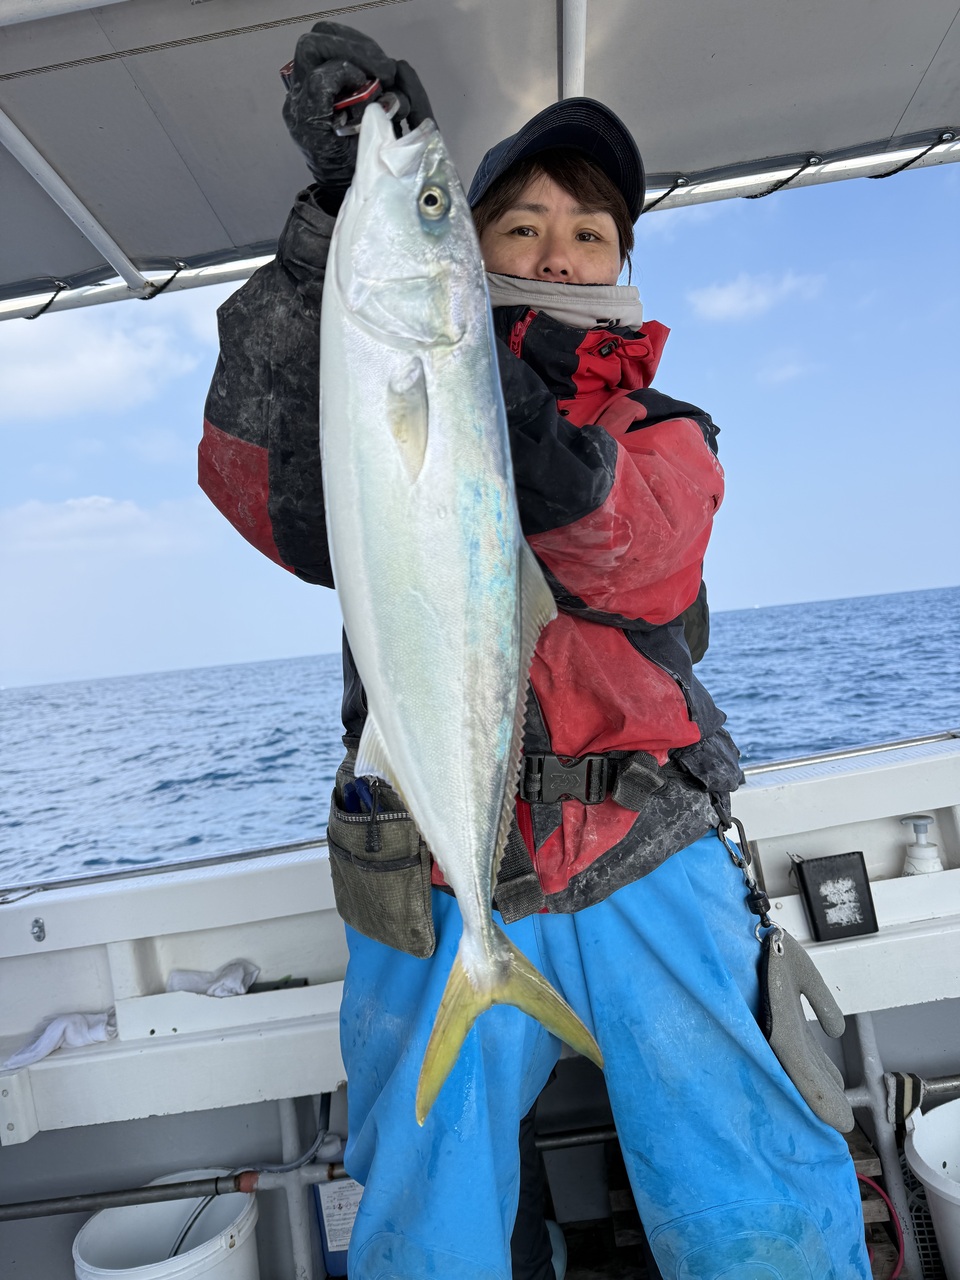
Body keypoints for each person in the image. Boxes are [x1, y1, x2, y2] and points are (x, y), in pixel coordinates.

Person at [199, 22, 872, 1280]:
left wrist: (500, 402)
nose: (558, 251)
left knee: (758, 1203)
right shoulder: (373, 390)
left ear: (621, 264)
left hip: (640, 847)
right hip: (435, 867)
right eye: (519, 225)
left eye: (590, 231)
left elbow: (637, 551)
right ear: (468, 250)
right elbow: (255, 482)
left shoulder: (663, 431)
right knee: (425, 1225)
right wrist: (333, 227)